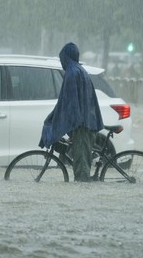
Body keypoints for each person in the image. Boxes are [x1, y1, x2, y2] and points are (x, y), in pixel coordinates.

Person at [39, 42, 104, 182]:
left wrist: (59, 122)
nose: (61, 62)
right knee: (82, 165)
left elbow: (69, 103)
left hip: (82, 126)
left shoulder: (72, 73)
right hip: (87, 122)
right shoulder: (80, 70)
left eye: (62, 58)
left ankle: (82, 201)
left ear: (66, 57)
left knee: (81, 173)